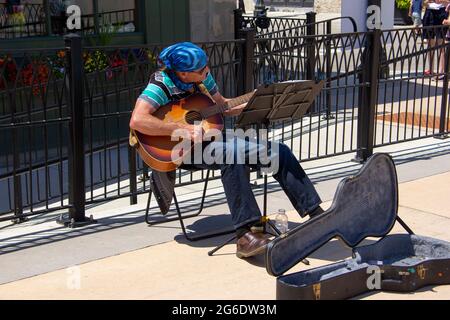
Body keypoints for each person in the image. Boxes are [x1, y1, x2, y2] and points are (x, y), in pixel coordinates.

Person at [129, 42, 324, 259]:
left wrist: (255, 102)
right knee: (232, 155)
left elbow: (224, 105)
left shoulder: (203, 77)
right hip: (179, 148)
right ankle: (246, 235)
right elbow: (138, 120)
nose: (207, 71)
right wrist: (181, 127)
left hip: (211, 139)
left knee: (278, 151)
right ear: (183, 73)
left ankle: (317, 215)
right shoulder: (160, 85)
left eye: (206, 67)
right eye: (202, 70)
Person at [422, 0, 449, 79]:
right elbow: (423, 3)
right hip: (429, 12)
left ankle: (441, 72)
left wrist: (441, 1)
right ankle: (431, 70)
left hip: (442, 12)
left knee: (441, 45)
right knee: (430, 44)